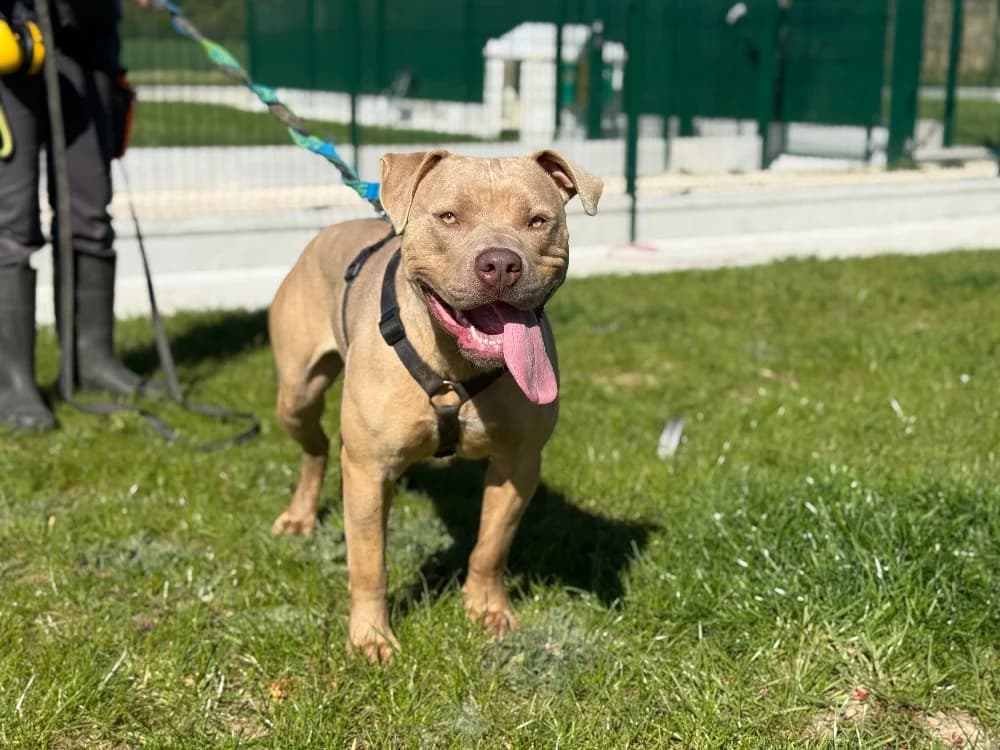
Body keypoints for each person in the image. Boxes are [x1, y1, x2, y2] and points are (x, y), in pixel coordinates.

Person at [0, 0, 150, 431]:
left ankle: (91, 362)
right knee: (11, 223)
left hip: (87, 41)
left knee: (90, 213)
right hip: (12, 38)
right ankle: (11, 383)